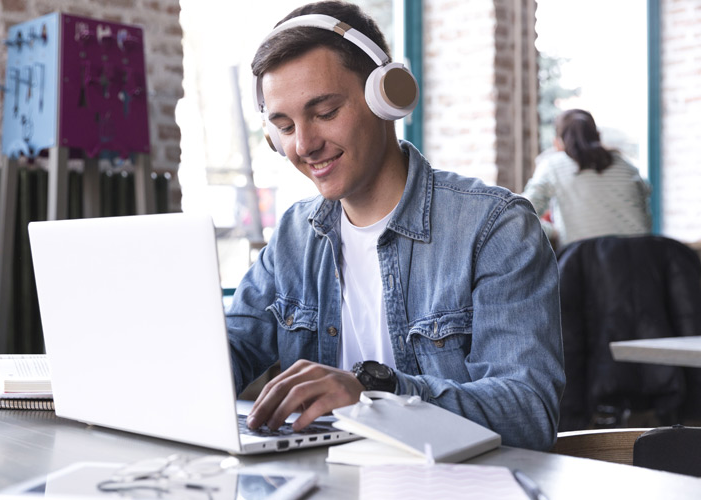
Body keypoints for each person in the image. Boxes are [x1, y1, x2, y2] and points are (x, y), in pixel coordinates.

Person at [225, 0, 564, 451]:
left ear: (386, 97)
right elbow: (227, 352)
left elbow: (528, 413)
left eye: (325, 113)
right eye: (284, 126)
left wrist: (374, 392)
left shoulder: (494, 228)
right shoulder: (293, 235)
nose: (304, 144)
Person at [523, 108, 652, 249]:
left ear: (558, 142)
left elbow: (521, 217)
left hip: (585, 262)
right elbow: (645, 213)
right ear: (598, 135)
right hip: (641, 259)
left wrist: (554, 232)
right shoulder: (625, 165)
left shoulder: (553, 165)